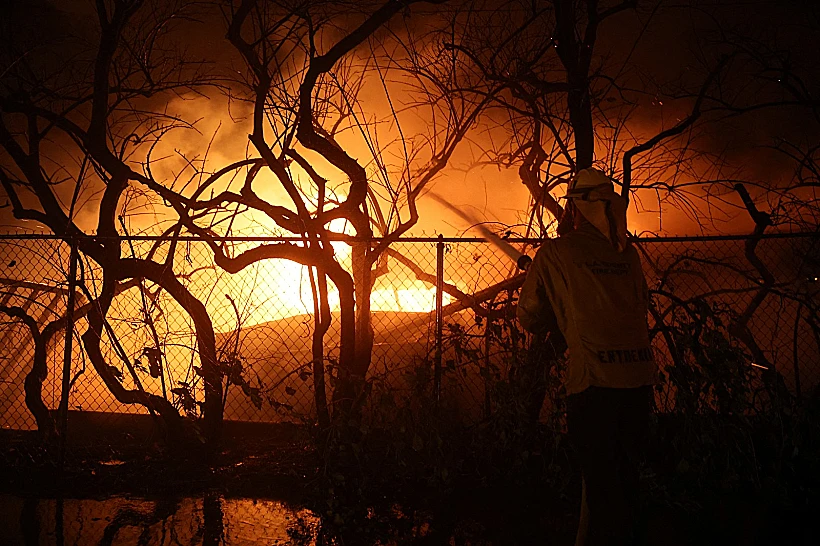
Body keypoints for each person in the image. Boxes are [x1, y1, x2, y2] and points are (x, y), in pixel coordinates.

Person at [517, 168, 657, 546]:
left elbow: (529, 316)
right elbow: (636, 307)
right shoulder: (627, 257)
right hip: (640, 385)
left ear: (575, 208)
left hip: (594, 387)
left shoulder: (556, 253)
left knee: (601, 495)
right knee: (626, 489)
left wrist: (554, 301)